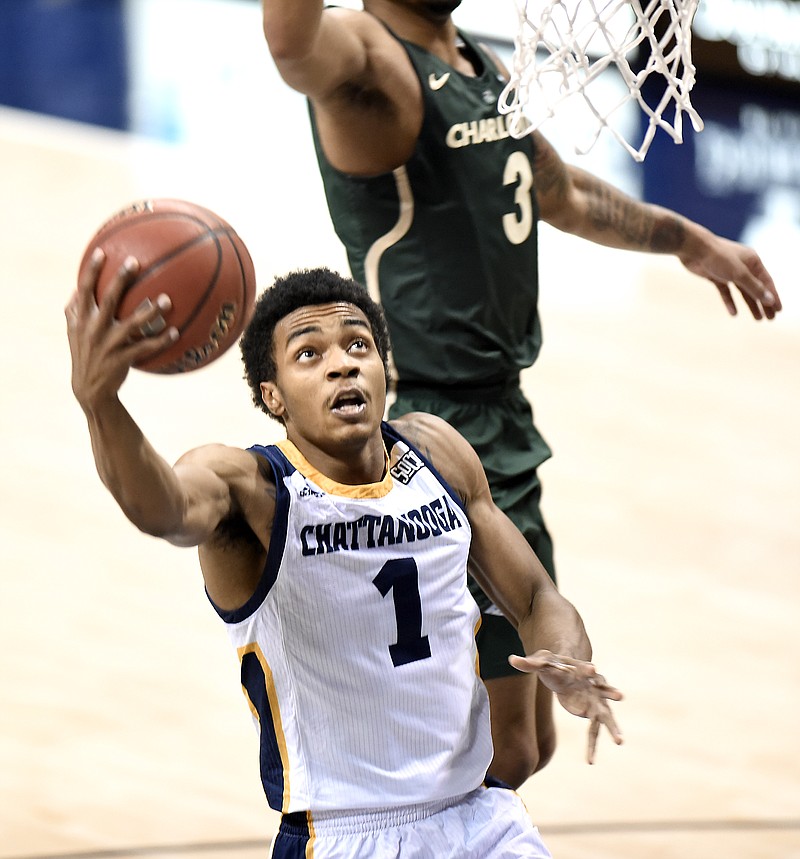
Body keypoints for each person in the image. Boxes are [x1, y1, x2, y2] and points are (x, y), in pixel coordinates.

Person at [258, 0, 783, 787]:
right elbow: (292, 44)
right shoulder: (372, 59)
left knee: (523, 745)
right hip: (426, 425)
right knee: (486, 746)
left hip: (498, 416)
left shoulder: (472, 60)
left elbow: (563, 194)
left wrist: (688, 240)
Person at [66, 257, 622, 858]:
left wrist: (567, 662)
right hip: (344, 835)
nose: (342, 363)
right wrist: (102, 406)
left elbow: (536, 597)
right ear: (271, 396)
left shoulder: (437, 451)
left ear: (385, 368)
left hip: (480, 818)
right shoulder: (250, 488)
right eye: (309, 354)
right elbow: (163, 509)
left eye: (358, 345)